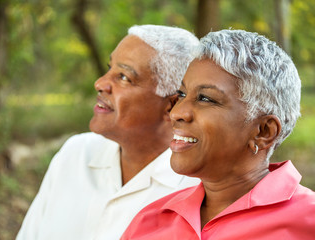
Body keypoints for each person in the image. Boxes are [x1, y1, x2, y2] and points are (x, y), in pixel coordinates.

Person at [121, 29, 315, 239]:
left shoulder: (307, 222)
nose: (177, 112)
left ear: (263, 131)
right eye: (182, 94)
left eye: (205, 98)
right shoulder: (150, 221)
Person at [16, 25, 201, 240]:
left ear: (171, 105)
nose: (100, 83)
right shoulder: (75, 154)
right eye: (108, 68)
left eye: (123, 77)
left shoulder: (195, 193)